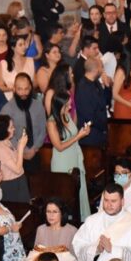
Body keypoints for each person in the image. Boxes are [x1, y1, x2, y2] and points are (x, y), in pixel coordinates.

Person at [47, 90, 91, 218]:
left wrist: (83, 132)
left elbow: (73, 134)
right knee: (66, 193)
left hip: (73, 157)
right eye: (67, 105)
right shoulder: (51, 122)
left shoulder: (66, 115)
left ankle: (81, 219)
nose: (70, 107)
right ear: (59, 105)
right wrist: (79, 136)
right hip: (62, 161)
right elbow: (59, 147)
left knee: (79, 189)